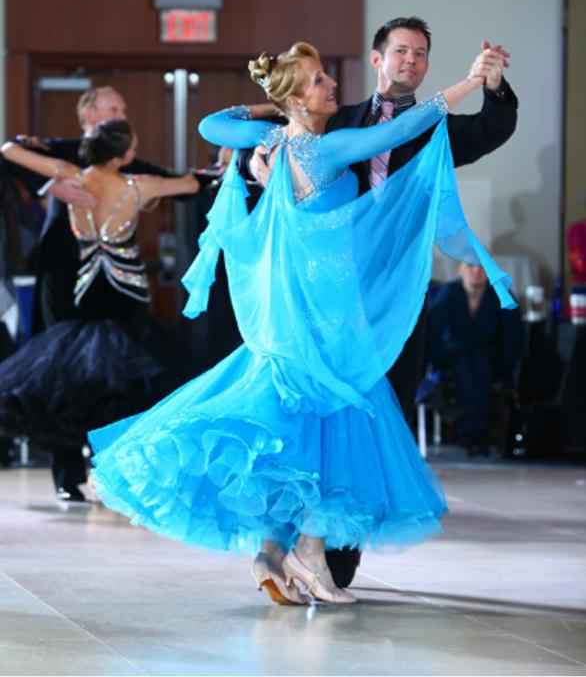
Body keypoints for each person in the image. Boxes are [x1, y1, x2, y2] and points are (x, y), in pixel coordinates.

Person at [87, 42, 516, 606]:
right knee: (342, 421)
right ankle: (310, 552)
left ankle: (271, 552)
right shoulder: (330, 148)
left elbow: (214, 125)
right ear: (298, 96)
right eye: (317, 82)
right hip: (332, 309)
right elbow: (406, 125)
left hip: (298, 309)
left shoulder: (275, 142)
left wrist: (272, 113)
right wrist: (464, 83)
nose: (330, 87)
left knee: (296, 428)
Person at [240, 16, 518, 586]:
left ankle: (334, 557)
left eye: (420, 53)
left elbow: (491, 130)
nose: (411, 60)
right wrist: (254, 158)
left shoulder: (434, 130)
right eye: (401, 51)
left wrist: (491, 85)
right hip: (331, 294)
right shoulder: (333, 120)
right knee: (321, 413)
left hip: (399, 294)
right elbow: (267, 142)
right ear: (377, 58)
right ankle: (295, 547)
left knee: (383, 409)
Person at [1, 87, 187, 501]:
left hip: (114, 282)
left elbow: (176, 181)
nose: (123, 112)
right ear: (89, 115)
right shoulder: (62, 153)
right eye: (114, 108)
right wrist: (52, 186)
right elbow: (8, 150)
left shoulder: (128, 160)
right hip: (62, 274)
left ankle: (115, 470)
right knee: (60, 368)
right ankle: (68, 474)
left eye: (123, 107)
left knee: (120, 367)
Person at [427, 263, 523, 456]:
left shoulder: (500, 293)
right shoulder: (449, 292)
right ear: (460, 269)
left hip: (489, 358)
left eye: (482, 267)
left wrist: (508, 366)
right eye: (470, 266)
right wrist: (435, 362)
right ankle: (477, 432)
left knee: (480, 365)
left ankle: (472, 431)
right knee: (465, 367)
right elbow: (433, 332)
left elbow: (513, 335)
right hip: (454, 357)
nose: (476, 271)